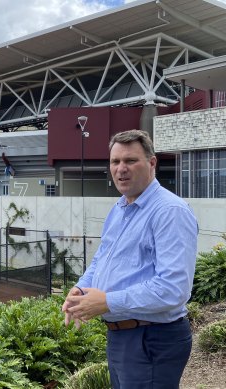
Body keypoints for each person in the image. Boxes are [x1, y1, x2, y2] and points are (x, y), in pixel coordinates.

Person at [62, 129, 198, 388]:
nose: (121, 169)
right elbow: (102, 259)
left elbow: (173, 289)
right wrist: (81, 287)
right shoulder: (120, 208)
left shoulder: (170, 212)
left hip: (152, 339)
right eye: (115, 162)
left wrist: (108, 301)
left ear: (151, 163)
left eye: (130, 161)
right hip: (123, 336)